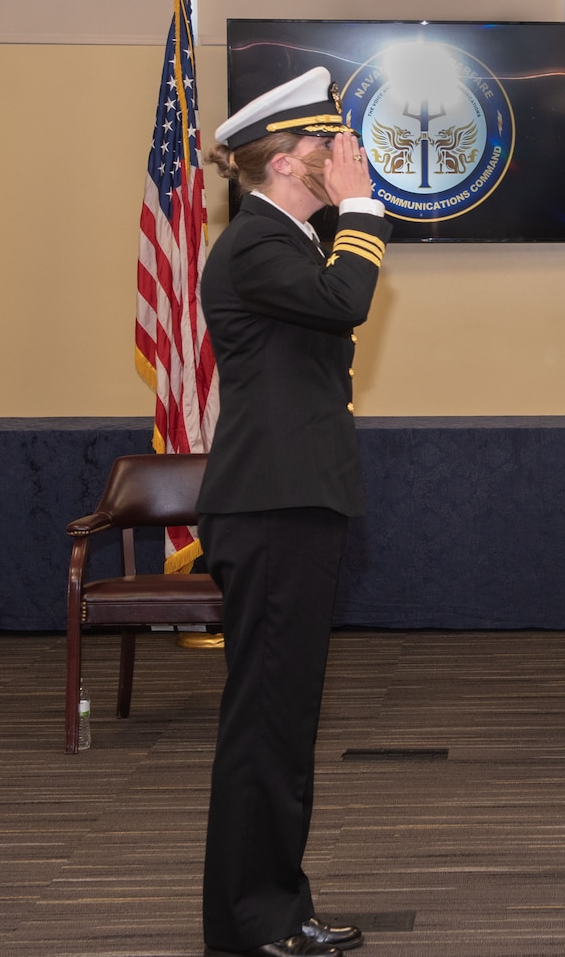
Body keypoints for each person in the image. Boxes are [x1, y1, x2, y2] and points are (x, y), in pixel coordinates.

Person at [197, 66, 390, 957]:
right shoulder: (258, 246)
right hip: (273, 506)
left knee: (280, 720)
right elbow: (347, 303)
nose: (339, 157)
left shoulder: (280, 240)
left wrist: (345, 212)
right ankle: (255, 922)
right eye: (325, 146)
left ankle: (270, 907)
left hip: (287, 504)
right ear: (282, 162)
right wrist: (362, 208)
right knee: (267, 723)